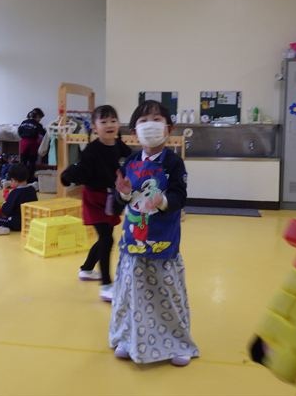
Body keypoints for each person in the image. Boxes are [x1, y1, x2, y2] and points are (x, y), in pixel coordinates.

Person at [109, 100, 199, 366]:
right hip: (133, 240)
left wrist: (162, 201)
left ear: (168, 128)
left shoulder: (173, 162)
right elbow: (121, 199)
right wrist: (124, 193)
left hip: (163, 240)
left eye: (157, 119)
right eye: (143, 120)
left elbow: (180, 196)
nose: (150, 125)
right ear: (134, 131)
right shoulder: (130, 161)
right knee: (131, 292)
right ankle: (128, 338)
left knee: (167, 291)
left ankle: (178, 342)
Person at [60, 105, 131, 302]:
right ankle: (106, 285)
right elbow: (81, 170)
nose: (109, 125)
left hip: (111, 198)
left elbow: (131, 158)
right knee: (107, 238)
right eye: (104, 121)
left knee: (104, 237)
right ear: (94, 127)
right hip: (95, 199)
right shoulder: (92, 150)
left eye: (113, 121)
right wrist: (67, 176)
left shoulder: (118, 144)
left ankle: (86, 269)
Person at [0, 163, 38, 235]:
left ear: (15, 180)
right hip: (29, 222)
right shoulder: (32, 189)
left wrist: (4, 204)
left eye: (11, 180)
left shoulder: (15, 193)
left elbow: (6, 211)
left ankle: (3, 228)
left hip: (16, 223)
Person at [18, 108, 46, 182]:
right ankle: (30, 179)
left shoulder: (24, 122)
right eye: (40, 118)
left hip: (23, 143)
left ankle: (21, 179)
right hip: (32, 143)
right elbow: (44, 134)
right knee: (32, 162)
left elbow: (19, 132)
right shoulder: (37, 124)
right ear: (37, 116)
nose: (40, 120)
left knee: (23, 162)